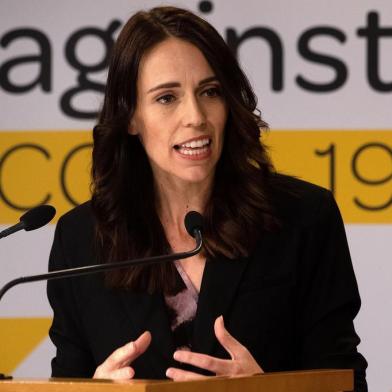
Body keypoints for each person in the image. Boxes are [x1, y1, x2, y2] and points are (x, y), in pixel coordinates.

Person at [47, 6, 368, 391]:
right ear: (130, 116)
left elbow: (347, 381)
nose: (196, 116)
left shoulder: (303, 218)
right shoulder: (81, 239)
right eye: (167, 98)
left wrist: (267, 388)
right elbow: (66, 379)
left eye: (210, 92)